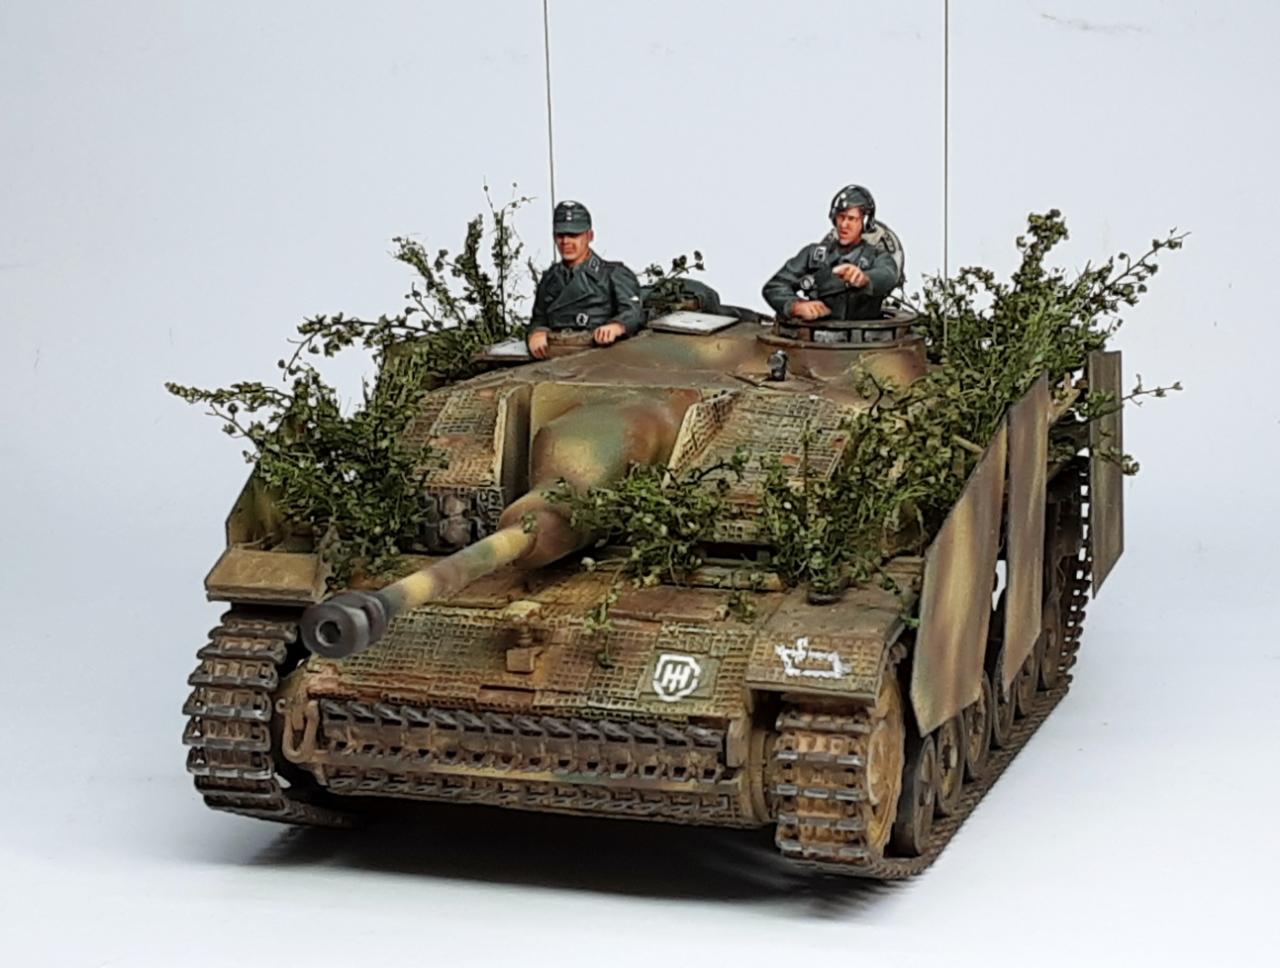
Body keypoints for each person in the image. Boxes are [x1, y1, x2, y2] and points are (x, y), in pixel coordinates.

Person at [762, 184, 900, 322]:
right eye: (841, 217)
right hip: (818, 332)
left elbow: (888, 275)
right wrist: (796, 306)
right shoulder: (814, 255)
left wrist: (865, 279)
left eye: (851, 219)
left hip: (866, 332)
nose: (844, 225)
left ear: (865, 222)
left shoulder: (877, 256)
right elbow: (774, 286)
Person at [527, 201, 645, 359]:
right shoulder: (550, 279)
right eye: (560, 235)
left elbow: (633, 312)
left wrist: (617, 326)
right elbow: (539, 318)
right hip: (556, 354)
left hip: (599, 355)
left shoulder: (612, 275)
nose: (566, 242)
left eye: (573, 235)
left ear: (589, 236)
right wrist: (537, 333)